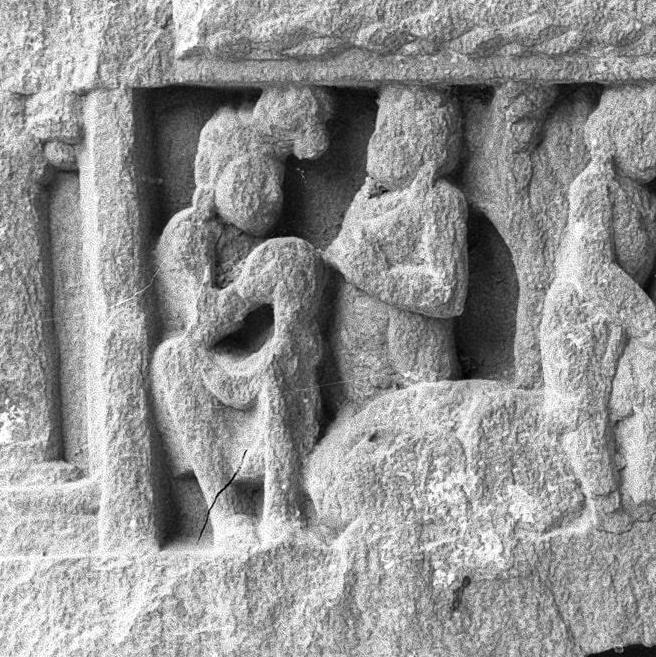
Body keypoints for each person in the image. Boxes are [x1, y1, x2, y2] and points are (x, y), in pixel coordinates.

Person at [150, 87, 334, 546]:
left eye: (277, 178)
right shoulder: (188, 235)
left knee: (285, 358)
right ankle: (227, 514)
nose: (270, 192)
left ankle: (283, 510)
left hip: (266, 366)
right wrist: (250, 288)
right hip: (210, 365)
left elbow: (296, 319)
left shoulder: (273, 248)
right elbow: (200, 324)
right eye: (256, 174)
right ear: (217, 175)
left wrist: (286, 302)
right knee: (173, 359)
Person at [541, 84, 656, 532]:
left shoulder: (655, 210)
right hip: (580, 323)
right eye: (645, 133)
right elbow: (594, 270)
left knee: (650, 396)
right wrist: (652, 325)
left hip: (634, 325)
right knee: (585, 415)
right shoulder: (593, 188)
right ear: (614, 129)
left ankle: (645, 502)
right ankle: (604, 505)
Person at [324, 86, 469, 417]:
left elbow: (447, 291)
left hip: (411, 365)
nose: (380, 141)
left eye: (397, 132)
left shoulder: (439, 200)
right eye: (381, 128)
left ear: (431, 149)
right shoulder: (366, 199)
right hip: (360, 361)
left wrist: (380, 278)